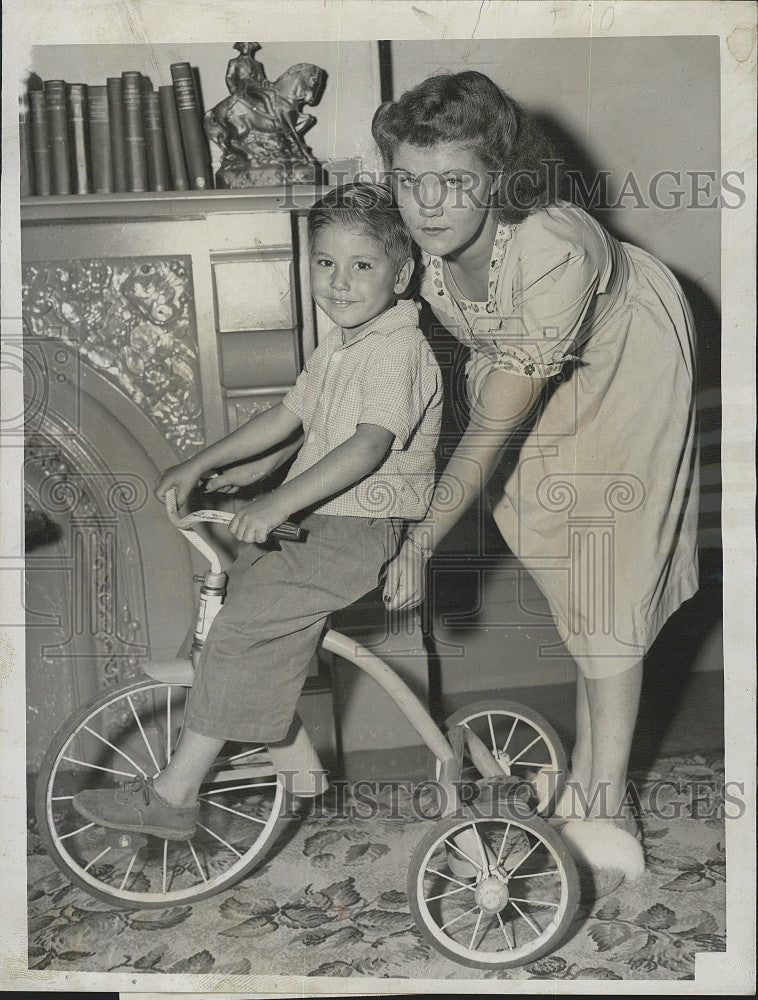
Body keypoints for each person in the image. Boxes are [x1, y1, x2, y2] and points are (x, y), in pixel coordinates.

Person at [373, 71, 699, 882]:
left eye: (454, 182)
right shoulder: (420, 242)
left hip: (630, 358)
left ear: (501, 176)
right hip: (531, 370)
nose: (427, 205)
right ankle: (589, 764)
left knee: (611, 563)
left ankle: (606, 799)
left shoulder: (551, 247)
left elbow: (490, 422)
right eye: (410, 182)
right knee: (560, 556)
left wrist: (421, 539)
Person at [73, 183, 442, 839]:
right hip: (324, 519)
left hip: (358, 528)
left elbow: (366, 447)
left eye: (362, 265)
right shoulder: (342, 344)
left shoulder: (396, 349)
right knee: (236, 610)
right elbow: (289, 415)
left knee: (245, 627)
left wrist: (276, 499)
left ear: (403, 272)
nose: (340, 281)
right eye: (325, 262)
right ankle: (298, 767)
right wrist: (203, 463)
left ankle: (176, 794)